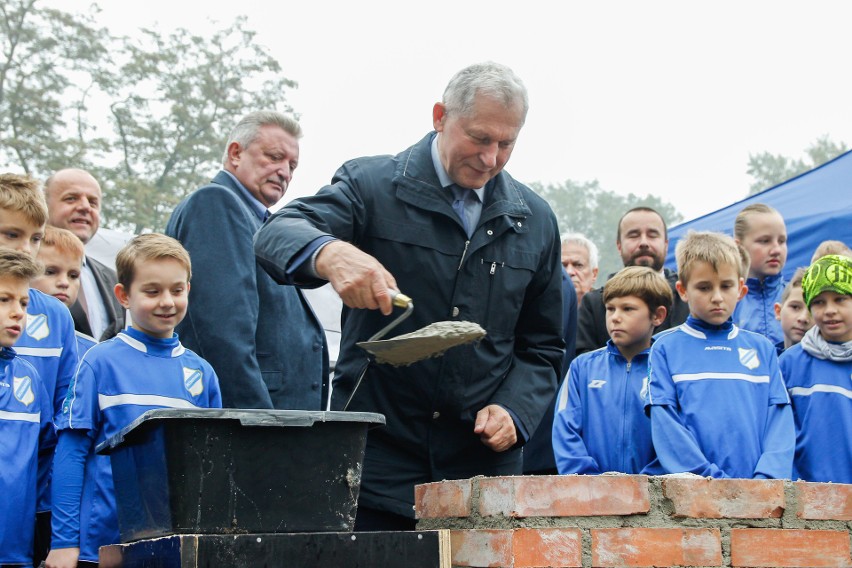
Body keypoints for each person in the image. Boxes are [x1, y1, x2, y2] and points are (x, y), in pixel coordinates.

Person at [254, 62, 564, 530]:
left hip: (480, 474)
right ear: (440, 116)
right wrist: (330, 252)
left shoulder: (534, 220)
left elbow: (542, 347)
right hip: (375, 462)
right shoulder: (372, 186)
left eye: (507, 144)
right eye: (479, 138)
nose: (491, 158)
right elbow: (278, 232)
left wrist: (516, 411)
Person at [46, 234, 222, 568]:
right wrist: (64, 542)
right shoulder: (100, 362)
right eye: (152, 291)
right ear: (124, 295)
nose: (167, 301)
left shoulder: (203, 374)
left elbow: (209, 469)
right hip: (102, 548)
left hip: (174, 551)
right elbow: (70, 453)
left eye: (177, 289)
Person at [165, 111, 328, 410]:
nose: (285, 172)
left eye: (292, 166)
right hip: (253, 428)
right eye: (274, 157)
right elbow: (223, 336)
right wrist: (258, 424)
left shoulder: (259, 222)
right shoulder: (216, 203)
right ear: (235, 153)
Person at [644, 231, 794, 479]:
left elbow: (780, 422)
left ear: (741, 289)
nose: (716, 297)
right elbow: (666, 426)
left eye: (726, 286)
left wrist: (767, 479)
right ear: (682, 290)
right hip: (695, 499)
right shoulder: (664, 347)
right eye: (704, 287)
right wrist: (708, 479)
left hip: (759, 499)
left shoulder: (762, 348)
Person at [0, 173, 79, 567]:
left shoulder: (56, 316)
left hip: (32, 505)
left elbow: (64, 421)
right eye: (12, 234)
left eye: (35, 238)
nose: (25, 249)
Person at [553, 266, 671, 475]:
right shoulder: (582, 368)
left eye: (628, 309)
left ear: (658, 315)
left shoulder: (668, 369)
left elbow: (676, 437)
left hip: (655, 500)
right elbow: (565, 432)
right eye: (610, 308)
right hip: (589, 499)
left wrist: (650, 485)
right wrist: (588, 482)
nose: (615, 317)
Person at [0, 250, 54, 567]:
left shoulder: (29, 377)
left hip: (15, 551)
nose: (18, 312)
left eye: (22, 303)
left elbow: (46, 450)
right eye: (4, 300)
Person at [575, 207, 689, 355]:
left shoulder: (689, 298)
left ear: (666, 244)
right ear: (619, 245)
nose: (643, 243)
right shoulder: (594, 303)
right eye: (633, 235)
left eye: (652, 235)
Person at [780, 254, 852, 483]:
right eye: (819, 302)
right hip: (804, 502)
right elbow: (779, 435)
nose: (829, 310)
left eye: (839, 299)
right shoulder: (790, 363)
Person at [44, 168, 125, 341]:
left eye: (93, 202)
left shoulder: (113, 279)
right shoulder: (19, 270)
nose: (85, 207)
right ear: (44, 205)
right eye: (71, 198)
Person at [32, 226, 98, 357]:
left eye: (73, 275)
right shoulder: (7, 339)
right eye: (50, 272)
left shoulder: (90, 353)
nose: (64, 282)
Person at [732, 203, 788, 344]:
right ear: (739, 246)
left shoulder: (797, 296)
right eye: (765, 241)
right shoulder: (726, 301)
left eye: (782, 241)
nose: (776, 249)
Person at [773, 268, 812, 355]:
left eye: (812, 310)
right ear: (778, 311)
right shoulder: (766, 361)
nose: (803, 318)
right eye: (795, 307)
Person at [561, 233, 599, 306]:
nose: (569, 272)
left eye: (578, 265)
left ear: (594, 274)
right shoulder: (538, 311)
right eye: (562, 266)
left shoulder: (609, 310)